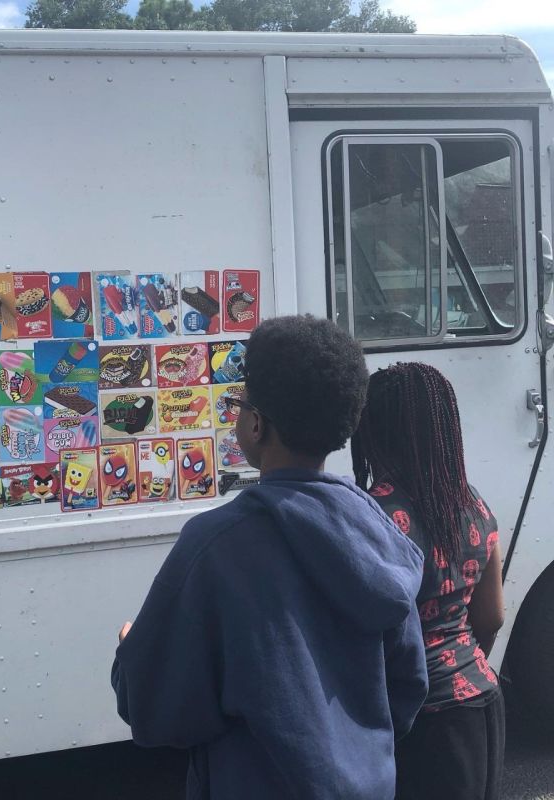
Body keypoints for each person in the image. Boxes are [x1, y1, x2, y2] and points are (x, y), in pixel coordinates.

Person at [111, 315, 427, 800]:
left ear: (256, 425)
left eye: (239, 405)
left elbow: (156, 710)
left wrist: (131, 649)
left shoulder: (215, 545)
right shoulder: (377, 531)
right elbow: (408, 687)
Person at [350, 361, 505, 800]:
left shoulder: (373, 512)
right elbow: (492, 617)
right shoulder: (471, 502)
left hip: (420, 716)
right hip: (482, 702)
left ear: (373, 432)